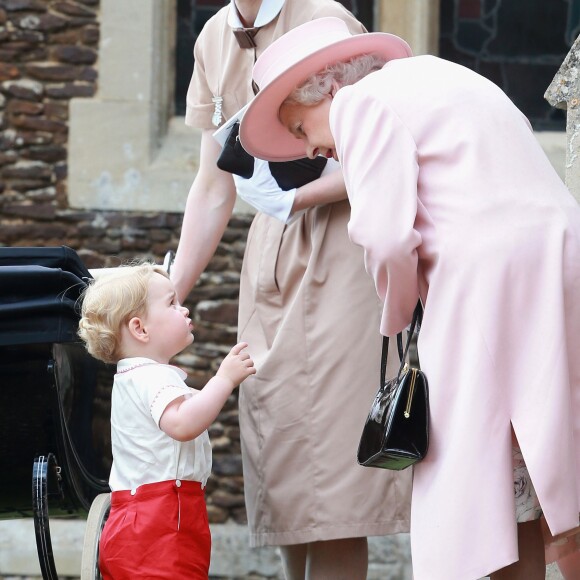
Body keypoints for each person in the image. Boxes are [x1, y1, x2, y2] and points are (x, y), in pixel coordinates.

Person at [238, 16, 580, 580]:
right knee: (536, 464)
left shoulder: (359, 103)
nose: (315, 150)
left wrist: (399, 315)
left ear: (328, 87)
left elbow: (386, 235)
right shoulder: (448, 76)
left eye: (300, 129)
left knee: (475, 476)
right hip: (558, 263)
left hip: (484, 284)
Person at [171, 1, 412, 578]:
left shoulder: (325, 18)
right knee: (283, 473)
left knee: (331, 491)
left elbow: (385, 150)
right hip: (269, 268)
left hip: (343, 254)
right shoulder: (212, 38)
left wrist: (296, 199)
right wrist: (168, 293)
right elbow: (212, 186)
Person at [78, 263, 256, 579]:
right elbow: (183, 424)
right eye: (172, 303)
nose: (184, 309)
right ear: (140, 329)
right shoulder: (152, 376)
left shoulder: (135, 377)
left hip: (141, 520)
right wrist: (224, 380)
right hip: (156, 523)